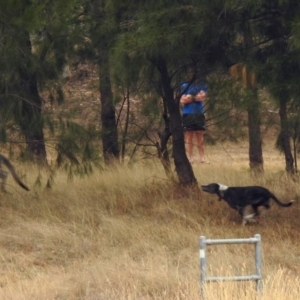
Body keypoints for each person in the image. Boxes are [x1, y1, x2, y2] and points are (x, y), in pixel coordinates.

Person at [180, 82, 209, 163]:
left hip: (199, 113)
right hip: (187, 113)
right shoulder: (184, 85)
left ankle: (202, 158)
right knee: (189, 136)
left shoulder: (202, 84)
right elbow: (182, 100)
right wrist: (195, 97)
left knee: (200, 135)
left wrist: (189, 97)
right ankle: (190, 158)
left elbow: (202, 97)